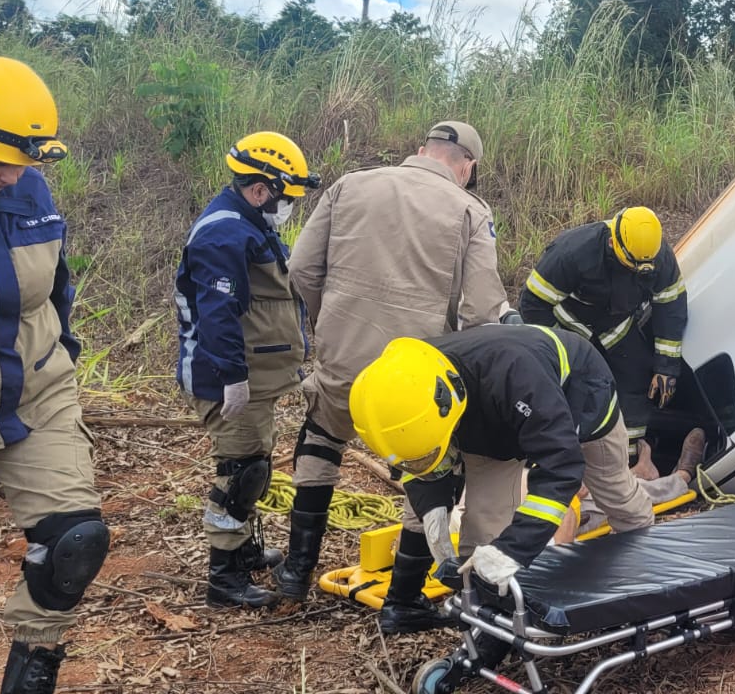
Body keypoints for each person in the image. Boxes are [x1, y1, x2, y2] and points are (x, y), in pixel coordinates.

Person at [276, 122, 515, 602]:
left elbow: (300, 269)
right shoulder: (469, 209)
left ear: (421, 150)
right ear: (467, 166)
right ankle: (403, 602)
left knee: (321, 438)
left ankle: (295, 573)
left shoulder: (350, 185)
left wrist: (329, 325)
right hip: (410, 380)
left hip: (340, 359)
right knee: (432, 471)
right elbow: (483, 310)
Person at [348, 325, 693, 633]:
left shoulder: (516, 374)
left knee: (614, 491)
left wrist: (512, 551)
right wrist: (433, 510)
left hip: (579, 394)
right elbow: (422, 461)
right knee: (485, 525)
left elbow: (561, 465)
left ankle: (656, 586)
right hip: (488, 425)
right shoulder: (410, 388)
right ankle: (485, 624)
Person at [0, 55, 106, 694]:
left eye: (22, 162)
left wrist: (62, 355)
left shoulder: (27, 188)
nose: (11, 175)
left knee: (74, 544)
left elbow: (56, 288)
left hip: (36, 394)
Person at [174, 132, 320, 608]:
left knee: (254, 460)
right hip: (232, 378)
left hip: (256, 375)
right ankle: (223, 576)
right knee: (240, 473)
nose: (290, 206)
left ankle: (243, 550)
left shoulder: (249, 221)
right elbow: (218, 313)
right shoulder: (224, 232)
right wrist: (233, 377)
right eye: (287, 196)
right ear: (261, 188)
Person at [520, 206, 688, 472]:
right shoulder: (572, 252)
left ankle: (627, 461)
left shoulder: (658, 256)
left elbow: (671, 307)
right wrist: (557, 348)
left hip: (616, 326)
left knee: (636, 378)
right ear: (613, 242)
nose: (641, 271)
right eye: (632, 265)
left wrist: (666, 367)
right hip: (569, 327)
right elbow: (532, 304)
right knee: (570, 388)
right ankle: (563, 461)